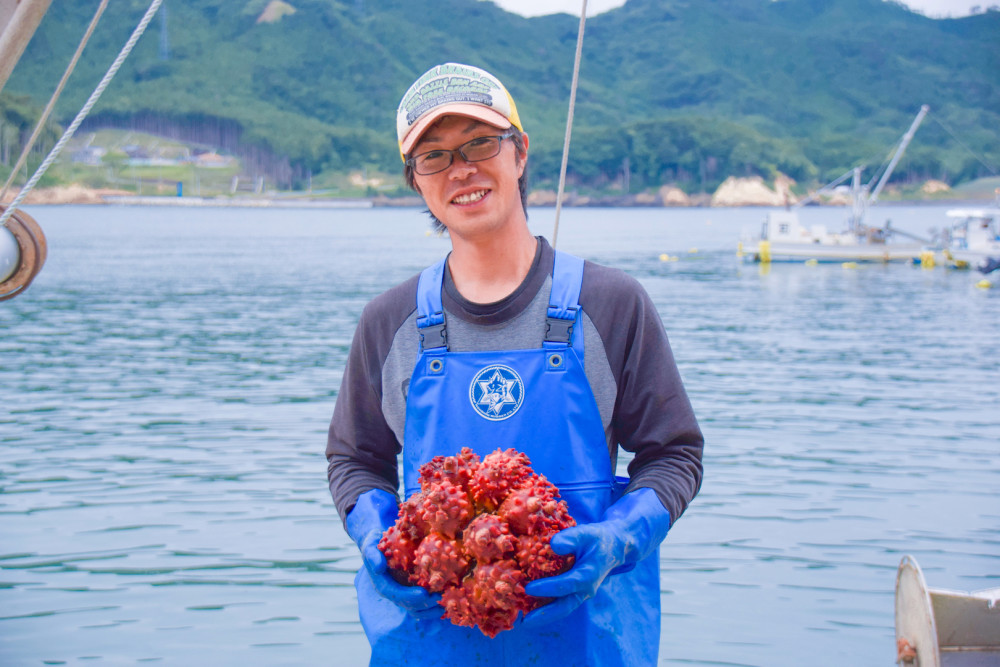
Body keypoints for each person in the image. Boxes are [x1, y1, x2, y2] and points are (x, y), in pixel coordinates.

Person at [326, 62, 703, 666]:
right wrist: (375, 531)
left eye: (480, 142)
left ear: (520, 153)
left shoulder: (610, 304)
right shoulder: (387, 322)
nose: (462, 170)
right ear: (416, 181)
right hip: (429, 639)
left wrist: (620, 535)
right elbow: (355, 459)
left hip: (584, 636)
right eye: (434, 156)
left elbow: (674, 454)